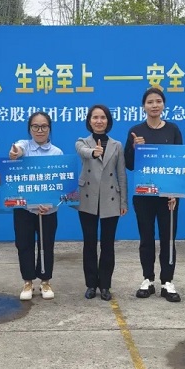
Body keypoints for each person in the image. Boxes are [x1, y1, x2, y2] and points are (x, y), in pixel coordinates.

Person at [125, 87, 184, 302]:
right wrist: (134, 148)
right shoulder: (136, 131)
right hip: (143, 196)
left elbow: (178, 163)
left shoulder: (173, 130)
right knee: (146, 238)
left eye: (158, 101)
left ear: (163, 104)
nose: (154, 105)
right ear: (144, 106)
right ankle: (147, 279)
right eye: (150, 102)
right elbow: (129, 164)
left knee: (168, 238)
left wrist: (175, 192)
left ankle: (167, 282)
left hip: (168, 196)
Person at [9, 111, 63, 300]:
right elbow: (17, 149)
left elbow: (60, 184)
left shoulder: (57, 153)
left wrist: (50, 203)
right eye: (35, 126)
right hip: (24, 209)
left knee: (46, 245)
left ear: (49, 128)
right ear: (30, 128)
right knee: (24, 244)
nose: (40, 130)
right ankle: (28, 282)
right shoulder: (24, 146)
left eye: (44, 126)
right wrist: (16, 153)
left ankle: (45, 281)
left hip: (47, 210)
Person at [76, 105, 128, 301]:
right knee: (89, 244)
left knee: (108, 245)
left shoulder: (117, 145)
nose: (99, 121)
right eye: (95, 117)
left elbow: (121, 174)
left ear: (108, 121)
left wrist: (123, 201)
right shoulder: (82, 142)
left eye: (103, 117)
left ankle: (105, 285)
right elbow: (83, 152)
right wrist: (94, 152)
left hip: (110, 199)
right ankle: (91, 284)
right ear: (89, 121)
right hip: (87, 198)